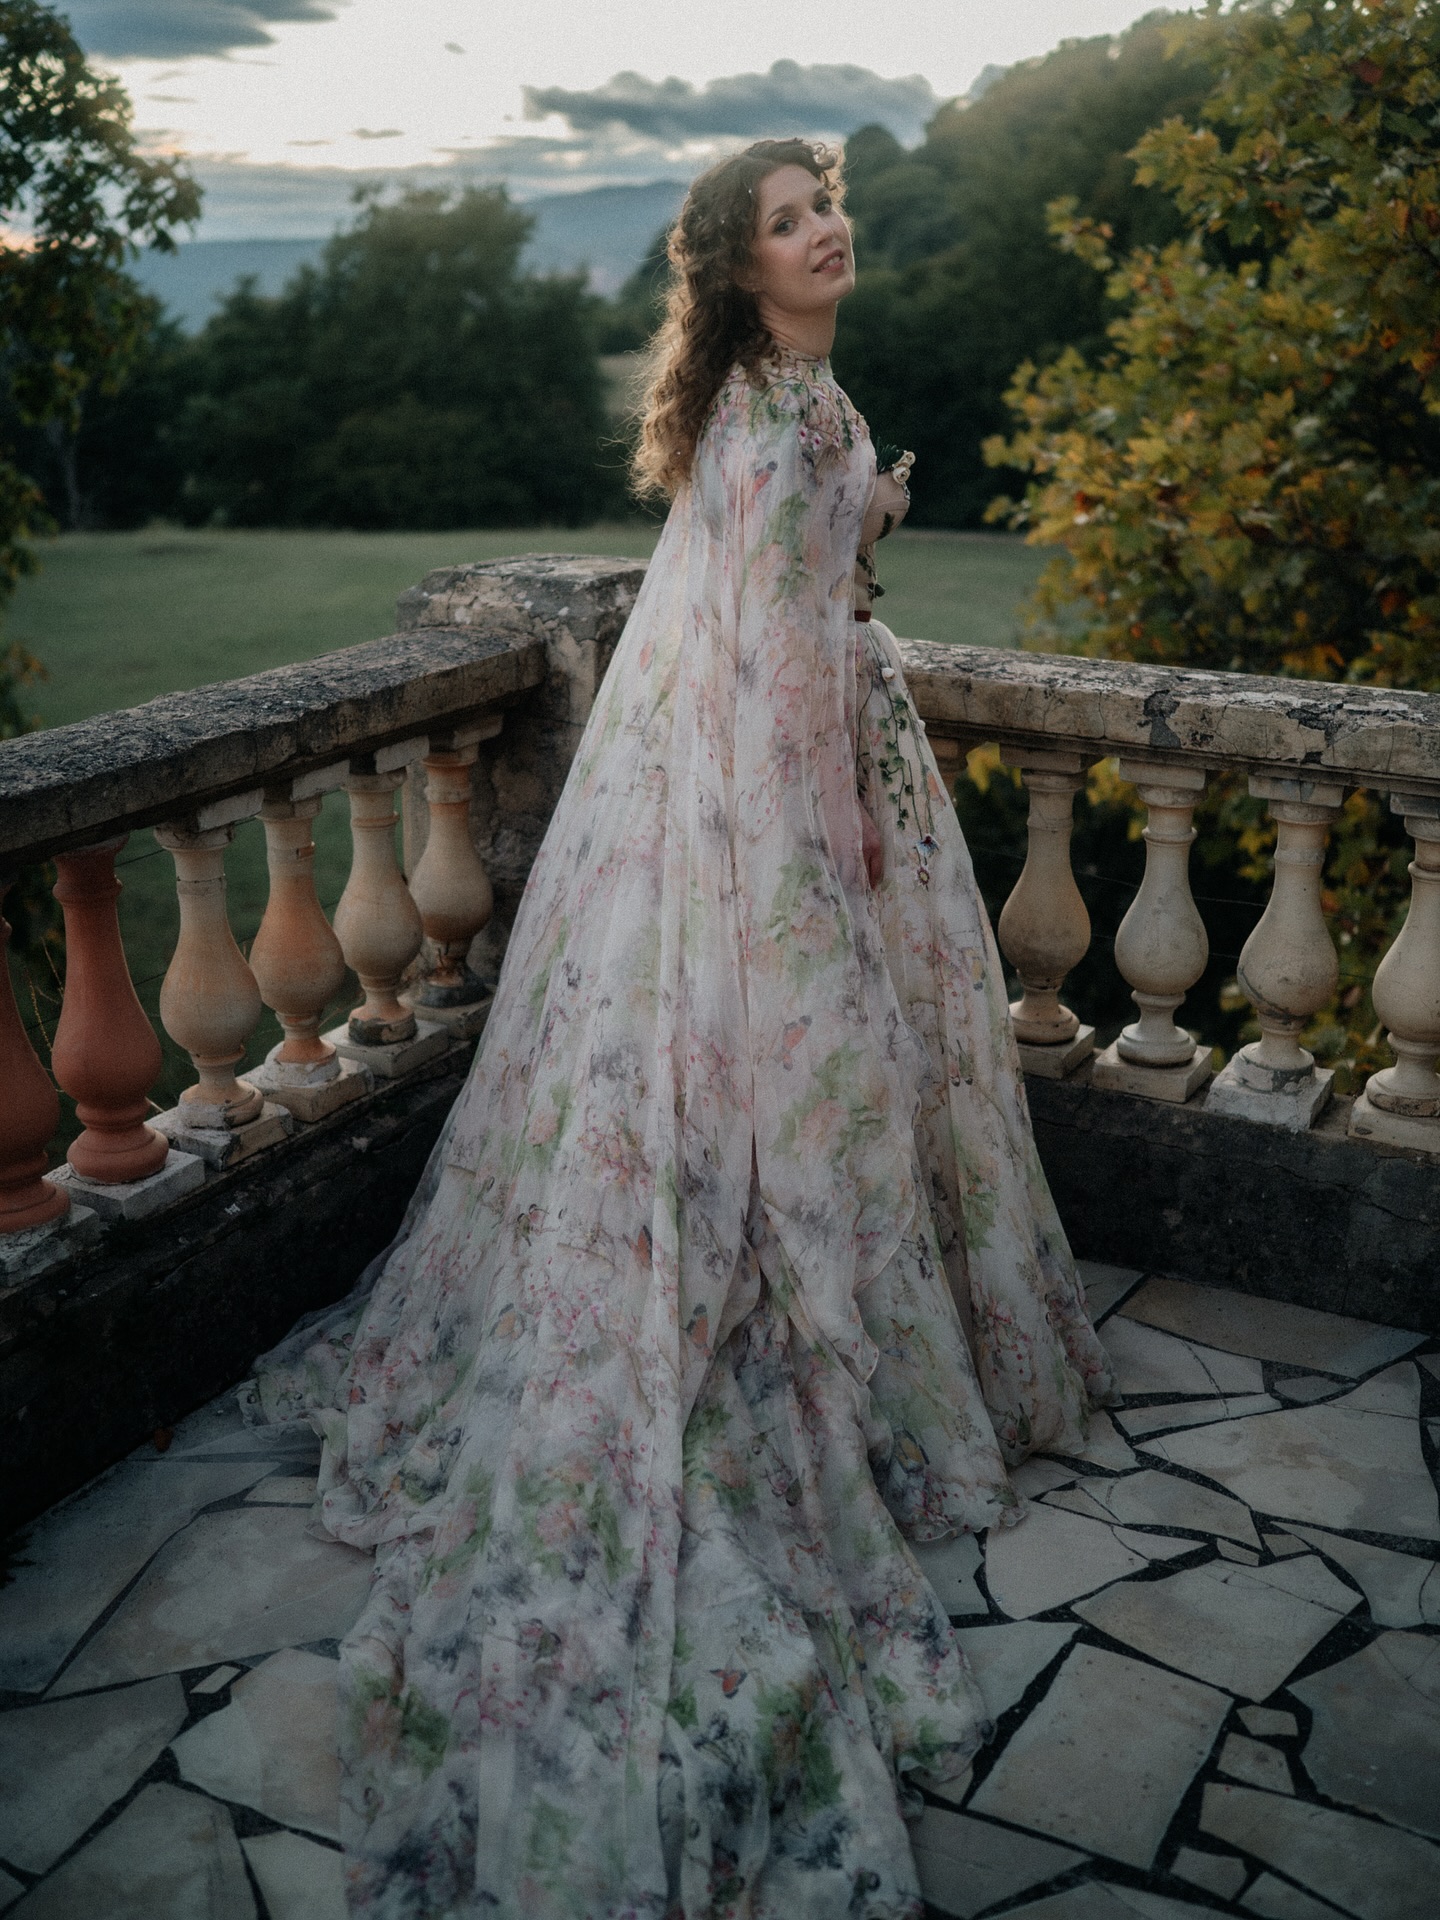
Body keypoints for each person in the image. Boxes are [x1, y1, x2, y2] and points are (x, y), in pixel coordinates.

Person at [253, 136, 1113, 1920]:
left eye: (831, 207)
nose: (831, 230)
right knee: (784, 1120)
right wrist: (814, 854)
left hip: (788, 790)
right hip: (782, 813)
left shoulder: (797, 400)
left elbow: (791, 606)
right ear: (737, 265)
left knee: (828, 1115)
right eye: (794, 219)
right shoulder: (771, 421)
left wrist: (863, 534)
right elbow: (759, 663)